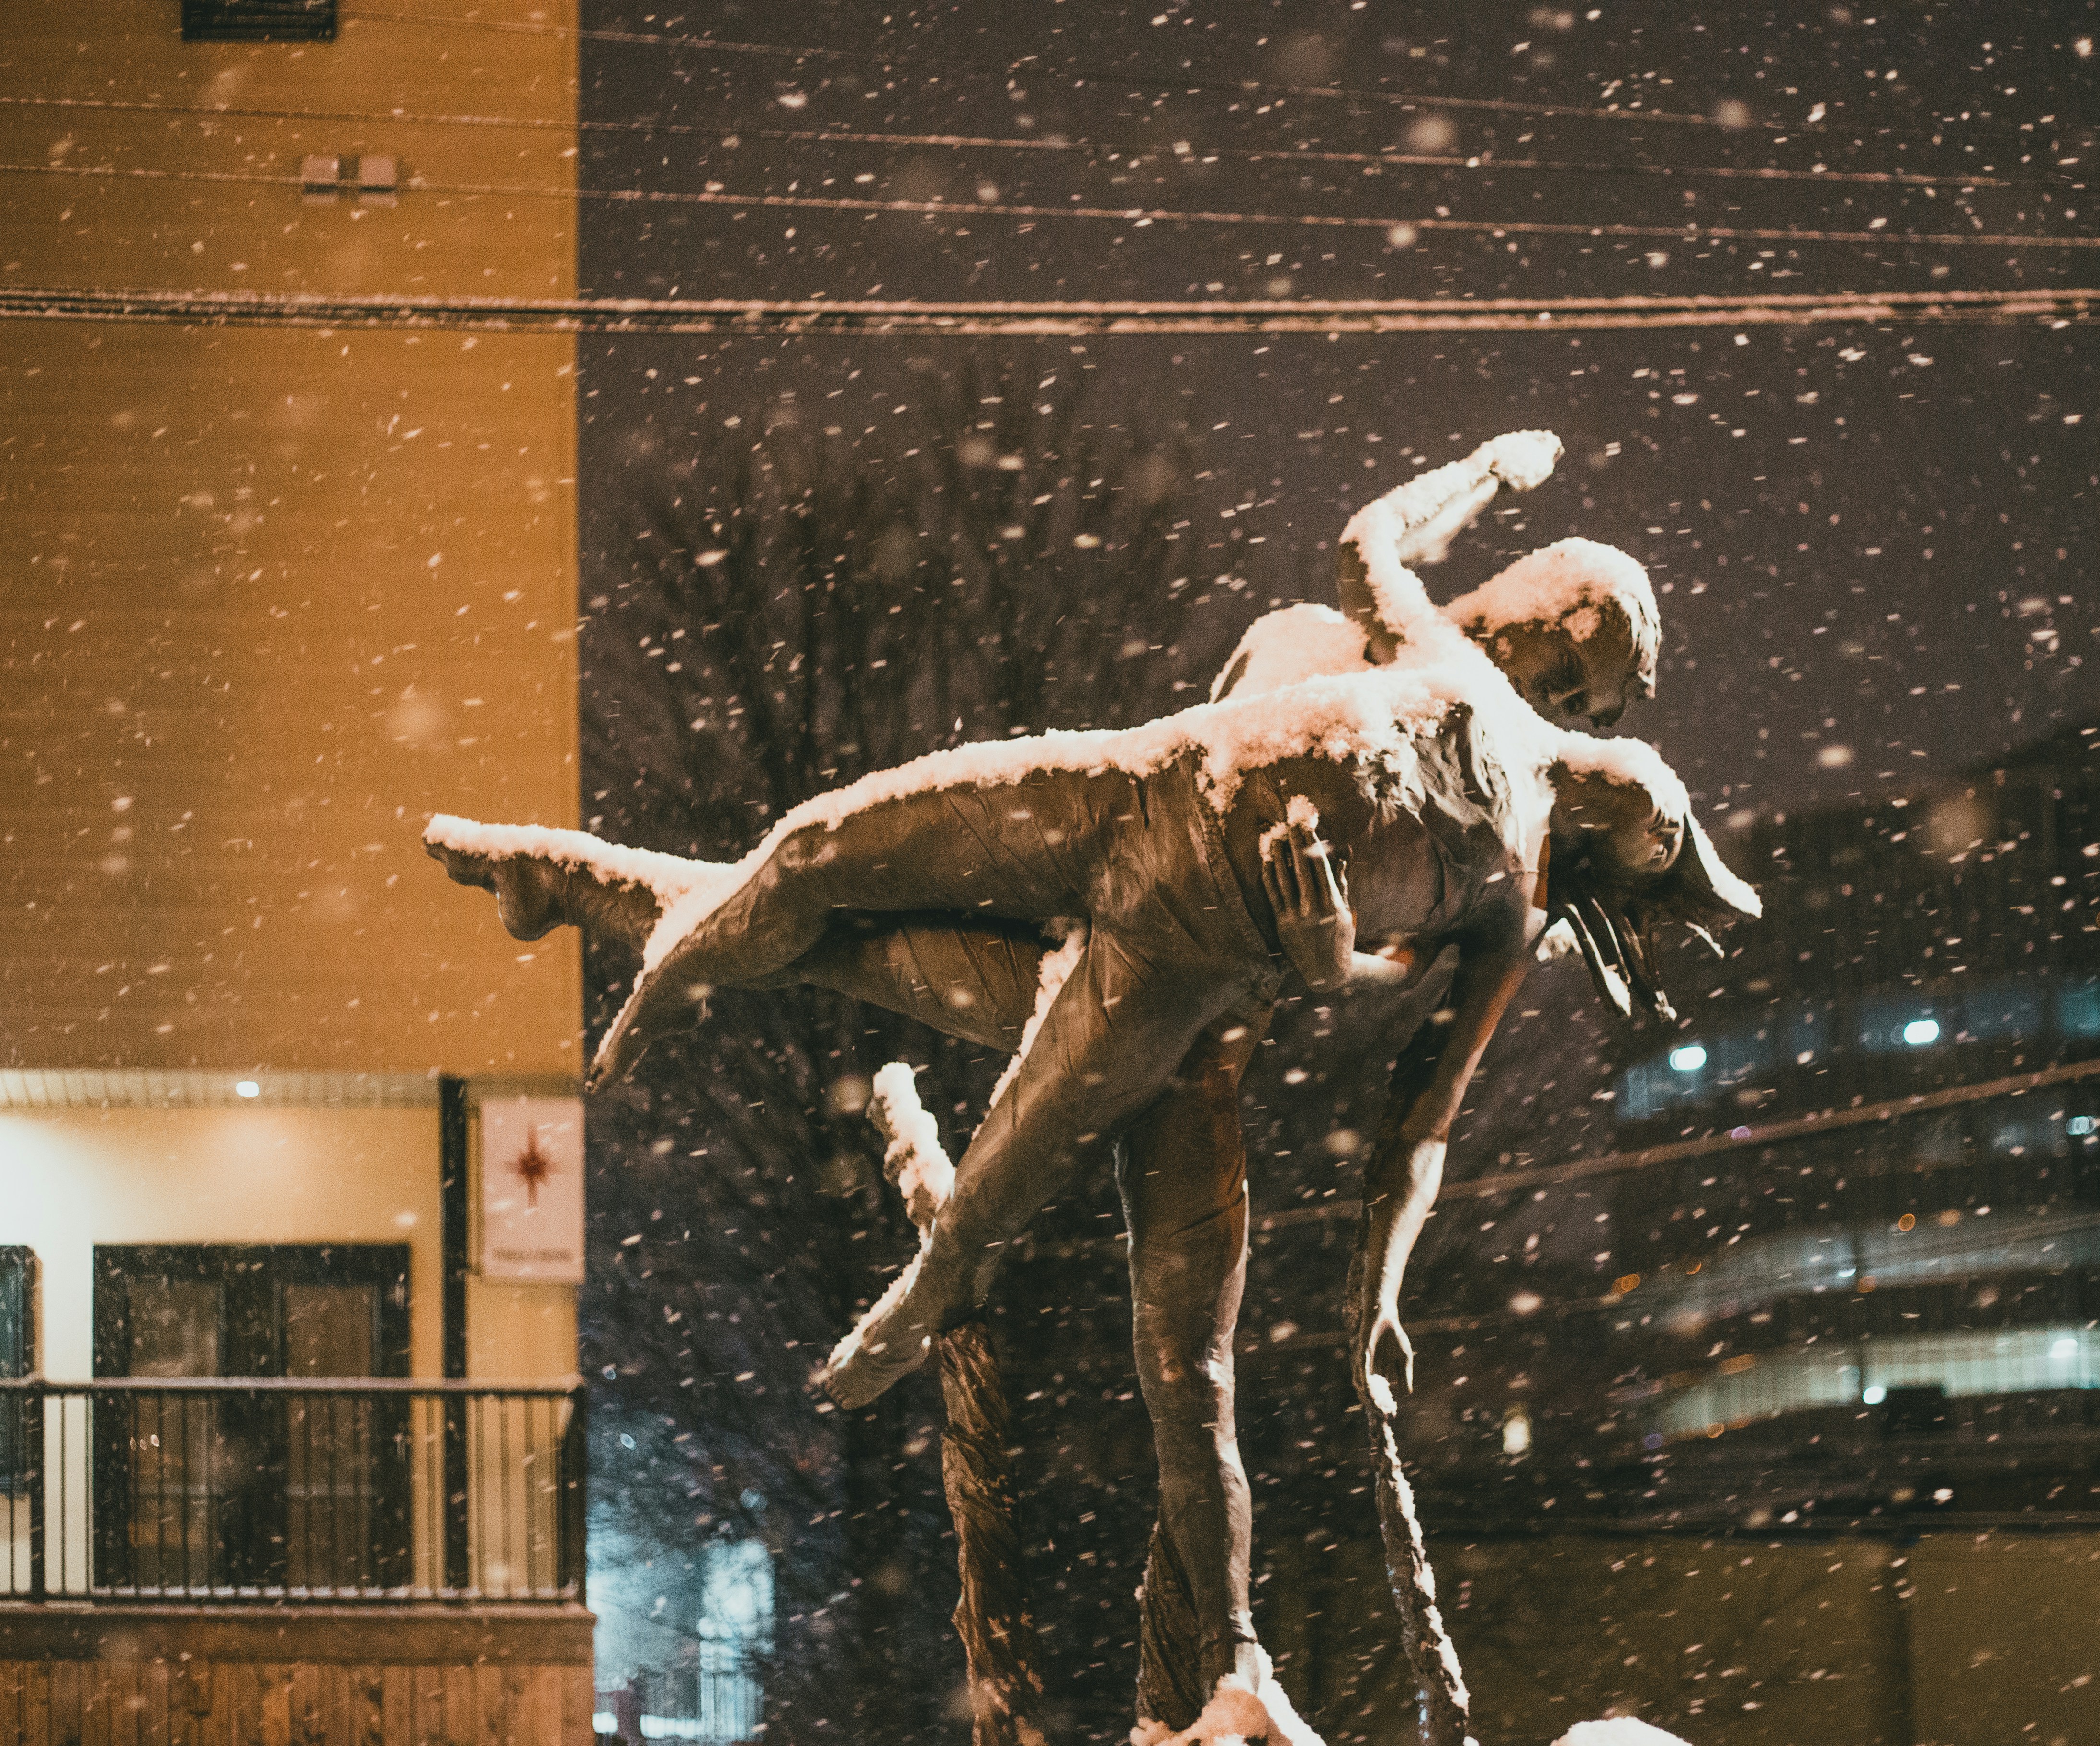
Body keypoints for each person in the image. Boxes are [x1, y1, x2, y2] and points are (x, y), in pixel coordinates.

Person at [424, 432, 1753, 1727]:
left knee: (1171, 1349)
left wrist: (1375, 1281)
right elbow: (1365, 558)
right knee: (828, 897)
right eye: (1576, 674)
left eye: (1606, 731)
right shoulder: (1398, 659)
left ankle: (1230, 1661)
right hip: (1122, 850)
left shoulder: (1504, 875)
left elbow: (1412, 1082)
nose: (1589, 736)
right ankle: (592, 905)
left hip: (1184, 1005)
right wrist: (1484, 472)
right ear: (1530, 619)